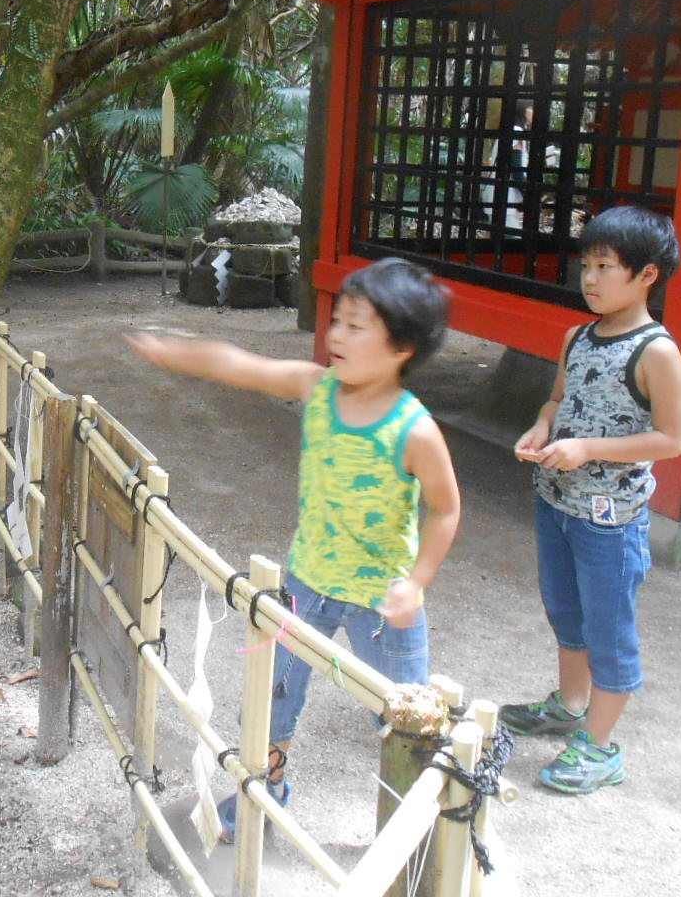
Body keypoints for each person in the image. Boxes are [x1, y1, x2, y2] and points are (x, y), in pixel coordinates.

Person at [126, 257, 461, 841]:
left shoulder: (415, 430)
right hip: (305, 586)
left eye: (357, 326)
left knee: (409, 720)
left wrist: (417, 582)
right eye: (339, 320)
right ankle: (264, 794)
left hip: (383, 602)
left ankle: (421, 838)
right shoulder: (318, 388)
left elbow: (447, 508)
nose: (337, 335)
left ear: (402, 347)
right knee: (269, 704)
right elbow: (243, 366)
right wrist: (175, 354)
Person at [505, 204, 681, 795]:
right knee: (565, 611)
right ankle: (570, 706)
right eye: (586, 264)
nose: (589, 278)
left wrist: (588, 448)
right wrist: (541, 428)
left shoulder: (657, 352)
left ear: (646, 275)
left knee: (608, 629)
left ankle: (601, 747)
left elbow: (672, 438)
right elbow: (556, 402)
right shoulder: (577, 337)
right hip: (557, 502)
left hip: (611, 520)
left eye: (605, 266)